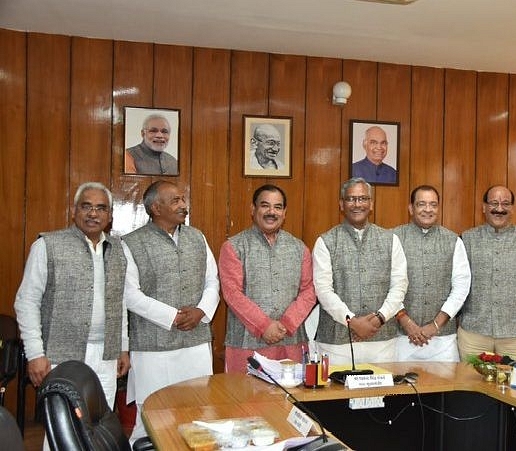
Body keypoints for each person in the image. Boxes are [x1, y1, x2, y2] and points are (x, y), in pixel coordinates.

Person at [14, 182, 129, 410]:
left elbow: (120, 301)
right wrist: (35, 353)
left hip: (106, 355)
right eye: (86, 206)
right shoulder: (47, 245)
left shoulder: (119, 249)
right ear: (74, 211)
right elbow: (27, 301)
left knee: (98, 426)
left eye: (101, 208)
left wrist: (122, 347)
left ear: (110, 215)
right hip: (60, 355)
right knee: (62, 427)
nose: (93, 214)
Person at [122, 180, 220, 442]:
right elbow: (130, 295)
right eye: (175, 200)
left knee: (199, 414)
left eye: (183, 199)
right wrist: (172, 317)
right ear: (155, 207)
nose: (183, 206)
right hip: (153, 347)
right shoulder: (131, 243)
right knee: (152, 420)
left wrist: (201, 311)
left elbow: (213, 281)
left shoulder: (197, 237)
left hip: (195, 343)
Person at [218, 184, 317, 372]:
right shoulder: (234, 246)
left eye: (278, 207)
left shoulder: (299, 248)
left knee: (291, 399)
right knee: (245, 400)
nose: (272, 212)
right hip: (246, 343)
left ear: (284, 212)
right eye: (265, 206)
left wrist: (286, 324)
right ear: (253, 209)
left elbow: (309, 291)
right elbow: (232, 293)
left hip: (291, 341)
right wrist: (264, 326)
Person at [312, 177, 408, 364]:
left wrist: (379, 318)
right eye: (351, 199)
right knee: (338, 393)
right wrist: (352, 322)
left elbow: (400, 285)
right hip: (336, 342)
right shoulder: (326, 241)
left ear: (371, 204)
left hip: (382, 340)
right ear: (341, 204)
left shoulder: (390, 239)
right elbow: (323, 290)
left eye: (363, 199)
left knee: (381, 393)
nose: (357, 204)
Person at [458, 185, 516, 362]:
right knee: (470, 386)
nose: (499, 208)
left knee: (513, 386)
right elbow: (456, 283)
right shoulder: (466, 239)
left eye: (505, 203)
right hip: (473, 333)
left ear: (512, 208)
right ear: (484, 207)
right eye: (494, 203)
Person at [392, 185, 471, 362]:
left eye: (433, 205)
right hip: (401, 337)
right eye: (421, 204)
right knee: (401, 389)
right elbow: (386, 285)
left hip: (443, 340)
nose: (428, 209)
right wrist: (407, 323)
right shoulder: (393, 238)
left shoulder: (453, 240)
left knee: (445, 389)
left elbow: (461, 286)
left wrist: (436, 325)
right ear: (411, 208)